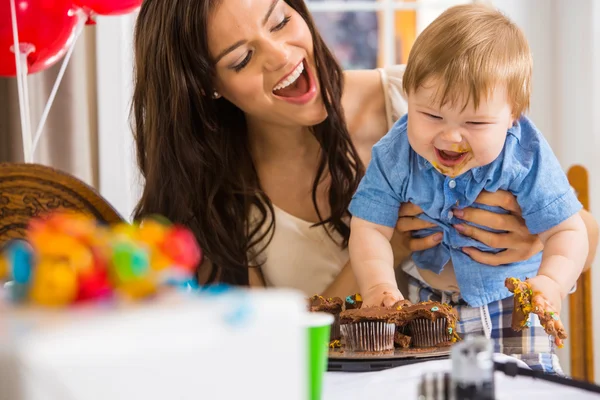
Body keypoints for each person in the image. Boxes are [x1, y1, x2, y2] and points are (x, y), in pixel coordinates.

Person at [130, 0, 598, 366]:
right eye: (242, 58)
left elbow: (579, 231)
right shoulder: (218, 197)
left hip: (501, 320)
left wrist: (532, 243)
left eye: (279, 22)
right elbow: (267, 352)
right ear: (206, 85)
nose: (281, 56)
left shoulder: (431, 98)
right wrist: (390, 253)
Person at [348, 4, 589, 374]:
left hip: (512, 305)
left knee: (530, 387)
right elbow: (369, 228)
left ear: (513, 115)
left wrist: (552, 283)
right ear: (408, 96)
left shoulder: (524, 154)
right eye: (431, 116)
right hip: (426, 307)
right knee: (423, 386)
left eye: (475, 121)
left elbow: (568, 230)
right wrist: (379, 284)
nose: (450, 135)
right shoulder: (395, 153)